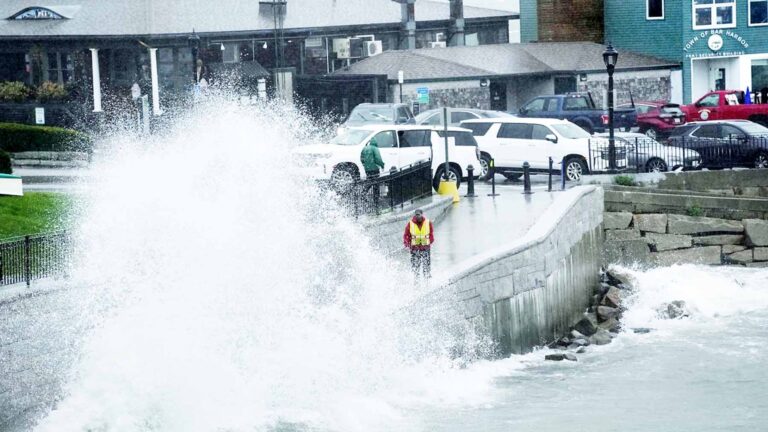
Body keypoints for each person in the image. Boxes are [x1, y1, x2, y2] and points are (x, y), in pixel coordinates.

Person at [403, 209, 434, 279]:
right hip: (415, 248)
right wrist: (406, 244)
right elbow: (406, 235)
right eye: (416, 215)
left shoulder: (428, 222)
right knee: (415, 266)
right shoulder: (410, 223)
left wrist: (430, 241)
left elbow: (431, 233)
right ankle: (416, 280)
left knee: (426, 265)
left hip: (425, 248)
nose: (417, 216)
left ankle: (427, 279)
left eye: (418, 214)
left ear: (422, 214)